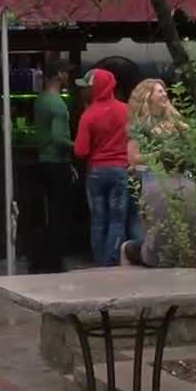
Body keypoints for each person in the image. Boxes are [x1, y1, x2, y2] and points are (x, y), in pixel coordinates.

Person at [74, 68, 130, 266]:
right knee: (117, 219)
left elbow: (80, 151)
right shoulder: (127, 110)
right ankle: (112, 261)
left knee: (98, 219)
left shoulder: (88, 115)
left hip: (96, 172)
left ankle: (99, 263)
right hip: (121, 171)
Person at [126, 78, 190, 241]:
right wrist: (161, 154)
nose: (164, 94)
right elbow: (133, 157)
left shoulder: (174, 120)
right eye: (159, 91)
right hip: (153, 176)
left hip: (177, 175)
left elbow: (189, 143)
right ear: (149, 96)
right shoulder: (140, 124)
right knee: (155, 219)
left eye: (164, 91)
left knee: (180, 215)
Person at [30, 60, 75, 273]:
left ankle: (42, 258)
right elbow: (59, 137)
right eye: (67, 73)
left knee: (45, 213)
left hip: (42, 160)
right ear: (60, 74)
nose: (69, 77)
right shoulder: (58, 104)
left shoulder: (40, 100)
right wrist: (79, 146)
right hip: (57, 162)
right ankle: (56, 260)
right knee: (59, 213)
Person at [119, 174, 196, 268]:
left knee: (125, 247)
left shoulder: (149, 187)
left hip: (155, 256)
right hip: (188, 253)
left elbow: (144, 223)